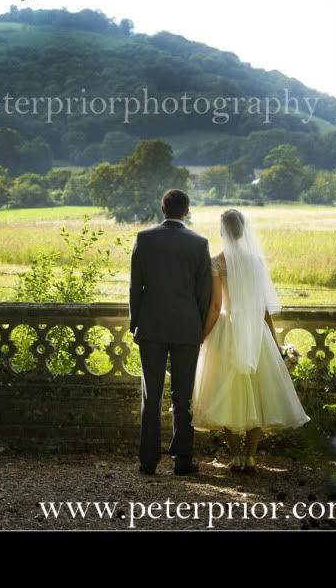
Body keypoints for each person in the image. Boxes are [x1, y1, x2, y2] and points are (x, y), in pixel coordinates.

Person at [191, 208, 310, 472]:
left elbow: (215, 305)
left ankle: (234, 456)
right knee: (260, 392)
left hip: (228, 328)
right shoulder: (255, 262)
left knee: (222, 390)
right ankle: (251, 456)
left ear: (223, 231)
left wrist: (203, 336)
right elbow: (264, 307)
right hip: (256, 331)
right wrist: (275, 340)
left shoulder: (217, 262)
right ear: (243, 231)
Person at [129, 188, 212, 476]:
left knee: (151, 395)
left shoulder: (145, 239)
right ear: (186, 210)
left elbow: (135, 287)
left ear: (162, 208)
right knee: (183, 395)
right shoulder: (200, 243)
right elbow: (204, 293)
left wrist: (134, 324)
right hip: (187, 328)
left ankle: (148, 461)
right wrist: (200, 329)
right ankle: (182, 461)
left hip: (151, 326)